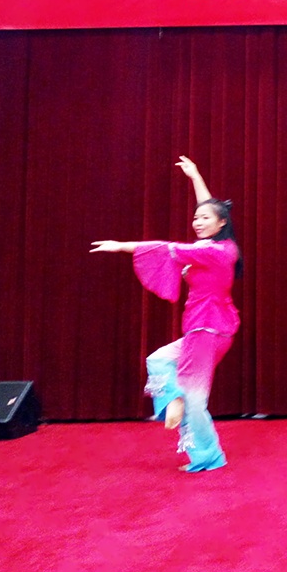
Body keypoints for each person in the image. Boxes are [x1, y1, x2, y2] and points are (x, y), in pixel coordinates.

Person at [91, 156, 242, 472]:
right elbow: (212, 209)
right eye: (195, 218)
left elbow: (164, 248)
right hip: (210, 327)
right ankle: (175, 398)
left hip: (207, 329)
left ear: (221, 223)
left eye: (204, 219)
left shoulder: (211, 251)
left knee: (195, 399)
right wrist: (195, 176)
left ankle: (207, 452)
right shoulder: (223, 245)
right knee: (159, 360)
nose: (197, 222)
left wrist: (121, 246)